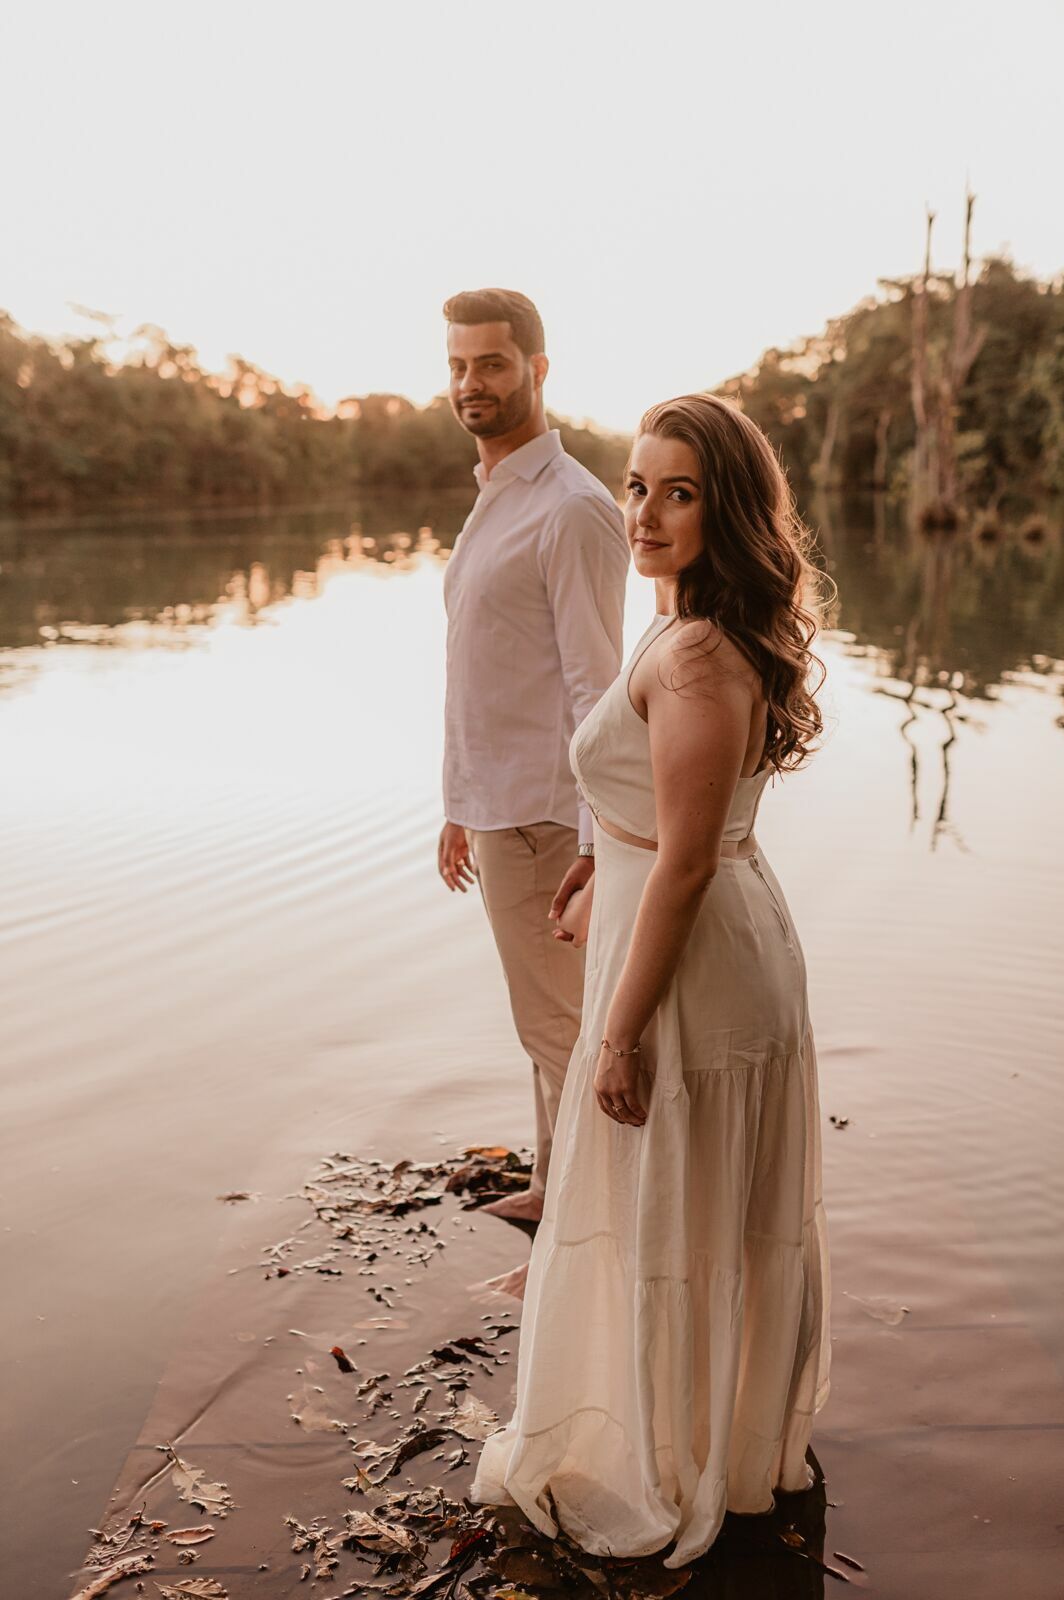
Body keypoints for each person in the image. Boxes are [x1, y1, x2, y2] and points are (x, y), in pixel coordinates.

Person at [471, 394, 831, 1567]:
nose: (645, 512)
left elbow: (684, 860)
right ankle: (710, 1435)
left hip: (696, 962)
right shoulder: (690, 628)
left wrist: (615, 1036)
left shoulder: (695, 655)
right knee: (688, 1206)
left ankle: (679, 1461)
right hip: (701, 924)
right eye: (636, 485)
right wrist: (591, 870)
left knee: (674, 1201)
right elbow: (660, 824)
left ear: (725, 510)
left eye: (679, 492)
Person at [438, 288, 630, 1235]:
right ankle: (558, 1193)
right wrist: (456, 803)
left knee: (561, 1031)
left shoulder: (573, 510)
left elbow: (597, 693)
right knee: (545, 1028)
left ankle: (594, 1229)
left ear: (538, 369)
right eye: (459, 365)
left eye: (493, 364)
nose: (472, 383)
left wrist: (595, 846)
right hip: (498, 808)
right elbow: (488, 673)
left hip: (549, 818)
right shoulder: (498, 499)